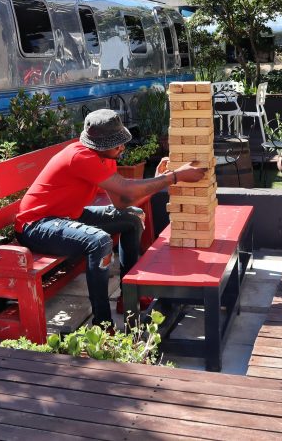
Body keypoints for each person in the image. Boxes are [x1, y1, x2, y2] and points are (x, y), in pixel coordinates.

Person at [15, 108, 207, 327]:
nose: (122, 147)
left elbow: (122, 202)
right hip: (36, 226)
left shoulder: (105, 157)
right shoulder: (81, 157)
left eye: (121, 142)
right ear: (100, 145)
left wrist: (159, 180)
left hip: (68, 217)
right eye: (117, 144)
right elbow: (126, 188)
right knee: (99, 241)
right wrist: (175, 177)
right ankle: (102, 324)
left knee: (132, 219)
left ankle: (128, 297)